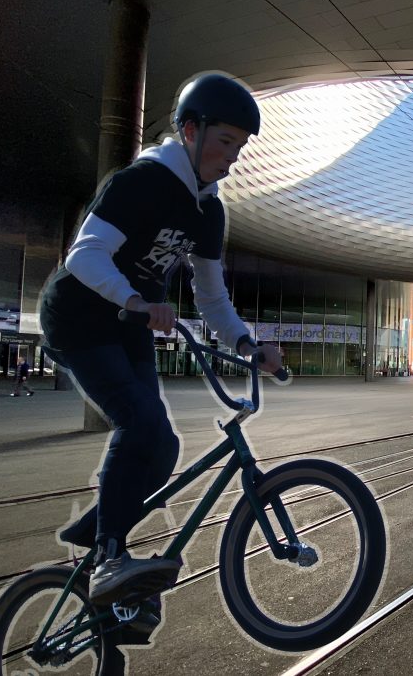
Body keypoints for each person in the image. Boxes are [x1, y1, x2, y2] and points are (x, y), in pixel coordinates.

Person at [39, 73, 282, 617]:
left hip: (130, 325)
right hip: (79, 319)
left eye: (240, 147)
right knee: (140, 424)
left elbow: (212, 297)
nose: (232, 158)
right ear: (190, 131)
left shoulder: (210, 211)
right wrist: (134, 300)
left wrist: (247, 343)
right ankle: (108, 556)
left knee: (164, 446)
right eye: (225, 142)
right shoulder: (141, 182)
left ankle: (102, 547)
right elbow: (85, 255)